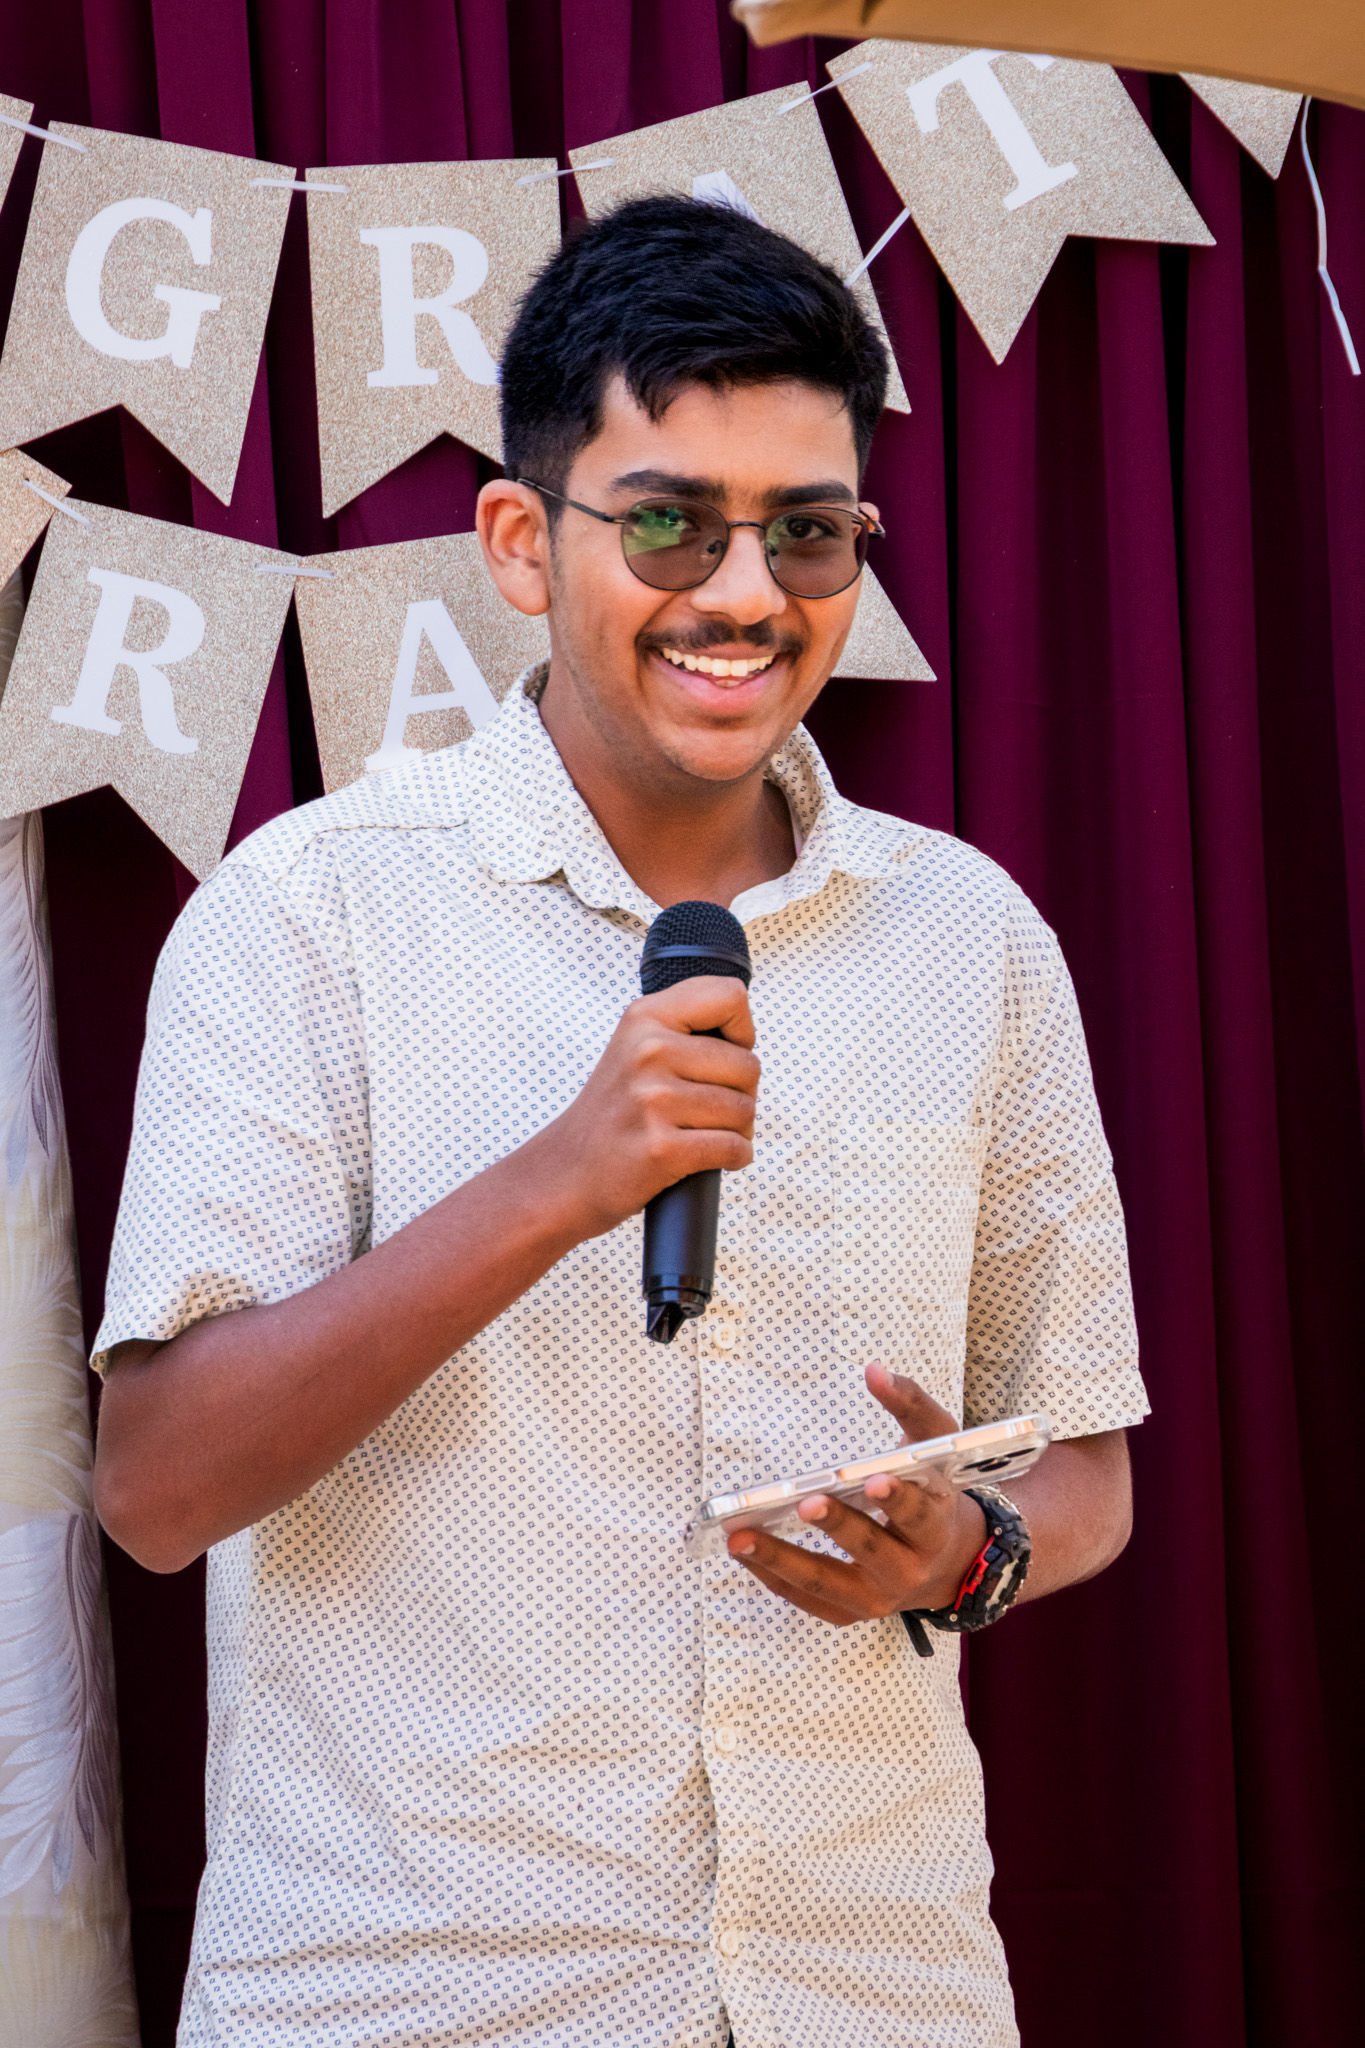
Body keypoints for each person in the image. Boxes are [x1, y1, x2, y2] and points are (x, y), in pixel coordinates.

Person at [93, 196, 1148, 2048]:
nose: (743, 592)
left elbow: (1083, 1469)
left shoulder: (969, 939)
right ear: (520, 540)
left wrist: (961, 1554)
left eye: (807, 533)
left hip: (870, 1981)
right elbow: (161, 1490)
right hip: (414, 1992)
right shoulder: (306, 915)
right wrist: (560, 1182)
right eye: (667, 519)